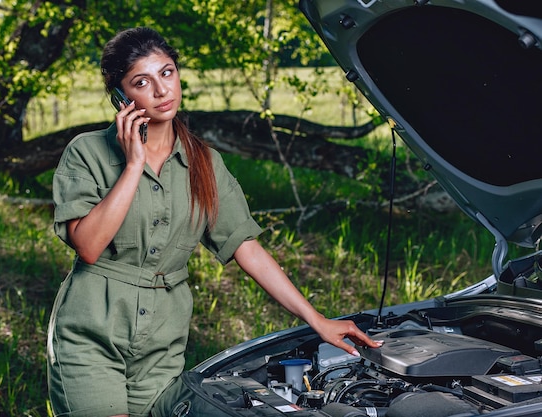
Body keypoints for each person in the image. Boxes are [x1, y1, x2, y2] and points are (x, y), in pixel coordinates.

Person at [46, 27, 382, 417]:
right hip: (91, 337)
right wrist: (134, 163)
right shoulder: (86, 152)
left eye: (167, 73)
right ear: (121, 97)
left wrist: (316, 319)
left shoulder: (205, 163)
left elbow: (247, 248)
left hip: (161, 346)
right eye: (142, 81)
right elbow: (88, 246)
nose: (161, 90)